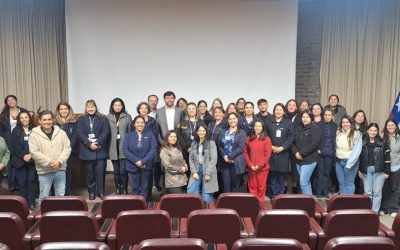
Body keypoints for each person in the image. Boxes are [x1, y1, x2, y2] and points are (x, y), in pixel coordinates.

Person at [29, 110, 71, 203]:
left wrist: (59, 161)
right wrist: (50, 162)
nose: (47, 122)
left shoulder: (61, 133)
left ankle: (59, 215)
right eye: (44, 120)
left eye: (49, 119)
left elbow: (67, 148)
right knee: (44, 196)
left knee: (60, 194)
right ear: (40, 121)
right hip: (44, 170)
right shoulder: (34, 134)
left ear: (53, 120)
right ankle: (43, 216)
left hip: (60, 169)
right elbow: (34, 152)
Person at [77, 99, 110, 200]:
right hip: (87, 150)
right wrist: (89, 143)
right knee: (90, 173)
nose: (90, 109)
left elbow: (106, 132)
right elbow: (80, 133)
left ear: (96, 107)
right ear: (86, 108)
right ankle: (91, 192)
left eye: (92, 107)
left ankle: (101, 192)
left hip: (100, 150)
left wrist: (97, 142)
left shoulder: (103, 118)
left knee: (100, 173)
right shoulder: (81, 119)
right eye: (88, 107)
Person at [358, 123, 390, 213]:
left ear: (377, 132)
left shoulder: (383, 142)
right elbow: (358, 157)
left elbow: (388, 158)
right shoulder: (362, 142)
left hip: (379, 171)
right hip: (365, 170)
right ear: (367, 130)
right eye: (371, 130)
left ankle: (374, 212)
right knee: (367, 192)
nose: (373, 132)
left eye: (375, 130)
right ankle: (367, 211)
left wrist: (387, 172)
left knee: (377, 193)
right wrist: (359, 170)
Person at [124, 116, 157, 201]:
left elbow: (153, 150)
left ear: (144, 124)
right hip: (132, 166)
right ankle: (136, 205)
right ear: (134, 124)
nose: (140, 124)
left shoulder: (150, 135)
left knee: (145, 187)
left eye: (142, 122)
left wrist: (143, 161)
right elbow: (125, 151)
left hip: (146, 166)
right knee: (135, 188)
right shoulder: (128, 136)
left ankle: (145, 205)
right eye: (137, 122)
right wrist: (136, 161)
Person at [265, 103, 294, 198]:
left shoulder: (288, 122)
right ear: (274, 111)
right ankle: (273, 193)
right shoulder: (269, 121)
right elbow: (265, 135)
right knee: (272, 172)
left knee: (282, 173)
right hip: (271, 151)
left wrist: (282, 147)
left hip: (283, 152)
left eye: (280, 110)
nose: (278, 111)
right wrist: (271, 146)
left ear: (283, 111)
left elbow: (291, 137)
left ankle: (280, 194)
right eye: (276, 109)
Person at [0, 95, 27, 191]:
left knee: (20, 160)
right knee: (10, 161)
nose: (11, 101)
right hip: (8, 139)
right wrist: (3, 140)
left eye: (12, 99)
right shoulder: (4, 113)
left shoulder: (24, 111)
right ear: (6, 103)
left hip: (21, 138)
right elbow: (1, 129)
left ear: (16, 100)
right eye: (8, 100)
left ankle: (21, 183)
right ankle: (12, 184)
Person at [291, 110, 321, 195]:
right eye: (303, 117)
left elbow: (314, 144)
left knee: (303, 182)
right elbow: (292, 142)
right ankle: (310, 200)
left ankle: (308, 203)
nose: (305, 119)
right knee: (306, 181)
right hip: (298, 159)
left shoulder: (316, 129)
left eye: (307, 117)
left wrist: (300, 153)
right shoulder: (297, 128)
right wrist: (296, 153)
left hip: (309, 160)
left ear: (311, 118)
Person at [11, 111, 36, 209]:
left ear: (29, 118)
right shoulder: (15, 130)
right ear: (19, 119)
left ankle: (32, 204)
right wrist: (24, 156)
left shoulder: (35, 129)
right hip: (20, 161)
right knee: (22, 183)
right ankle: (24, 205)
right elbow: (14, 146)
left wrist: (31, 155)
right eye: (21, 118)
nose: (24, 119)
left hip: (33, 160)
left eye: (26, 117)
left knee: (32, 181)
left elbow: (38, 144)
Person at [107, 98, 132, 195]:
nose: (117, 107)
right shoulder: (108, 117)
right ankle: (118, 188)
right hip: (112, 147)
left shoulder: (127, 117)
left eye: (119, 105)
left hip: (123, 147)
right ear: (112, 106)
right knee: (116, 171)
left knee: (123, 170)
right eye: (115, 105)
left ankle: (125, 188)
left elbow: (130, 133)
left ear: (122, 106)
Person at [187, 125, 218, 202]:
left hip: (208, 171)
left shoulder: (211, 143)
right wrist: (193, 172)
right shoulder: (194, 143)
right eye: (199, 130)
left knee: (206, 199)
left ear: (206, 132)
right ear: (197, 132)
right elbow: (191, 159)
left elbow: (214, 159)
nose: (201, 132)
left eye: (203, 130)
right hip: (197, 170)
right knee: (190, 192)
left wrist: (208, 173)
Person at [218, 112, 247, 192]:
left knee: (235, 185)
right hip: (224, 163)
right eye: (230, 119)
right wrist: (224, 156)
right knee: (226, 184)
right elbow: (220, 145)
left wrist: (229, 156)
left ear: (237, 120)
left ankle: (234, 204)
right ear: (228, 120)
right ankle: (226, 204)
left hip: (236, 162)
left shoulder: (242, 132)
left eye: (234, 119)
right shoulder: (223, 132)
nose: (232, 120)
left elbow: (240, 148)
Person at [244, 121, 272, 201]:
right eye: (256, 126)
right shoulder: (249, 138)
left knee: (261, 187)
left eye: (260, 126)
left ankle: (260, 205)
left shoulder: (267, 139)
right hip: (251, 168)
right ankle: (253, 204)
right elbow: (245, 152)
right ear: (253, 127)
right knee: (252, 187)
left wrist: (259, 165)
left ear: (262, 128)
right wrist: (250, 165)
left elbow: (268, 155)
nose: (258, 128)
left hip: (262, 169)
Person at [55, 102, 78, 196]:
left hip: (69, 153)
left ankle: (66, 195)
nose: (64, 111)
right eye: (61, 109)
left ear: (69, 110)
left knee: (67, 174)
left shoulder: (74, 122)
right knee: (56, 174)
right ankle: (56, 195)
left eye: (66, 109)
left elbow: (75, 136)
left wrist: (67, 148)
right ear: (58, 111)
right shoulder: (54, 123)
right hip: (56, 153)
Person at [335, 115, 362, 195]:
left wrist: (349, 164)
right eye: (343, 122)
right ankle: (342, 204)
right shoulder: (337, 132)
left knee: (349, 184)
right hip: (339, 162)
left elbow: (357, 151)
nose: (345, 124)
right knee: (341, 183)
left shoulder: (357, 134)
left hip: (350, 162)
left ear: (351, 123)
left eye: (347, 122)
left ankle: (349, 204)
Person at [316, 108, 337, 199]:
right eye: (325, 115)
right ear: (322, 116)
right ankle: (319, 193)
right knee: (320, 173)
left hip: (330, 152)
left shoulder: (335, 126)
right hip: (320, 152)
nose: (327, 116)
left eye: (329, 115)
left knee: (326, 173)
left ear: (332, 116)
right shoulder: (318, 125)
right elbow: (315, 138)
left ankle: (325, 192)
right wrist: (317, 148)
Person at [381, 119, 400, 217]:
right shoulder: (382, 137)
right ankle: (384, 208)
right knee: (385, 189)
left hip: (396, 167)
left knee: (394, 189)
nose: (390, 127)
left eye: (392, 125)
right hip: (384, 169)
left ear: (396, 126)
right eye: (388, 125)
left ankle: (394, 209)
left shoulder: (399, 138)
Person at [177, 102, 203, 171]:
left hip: (198, 150)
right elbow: (179, 136)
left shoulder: (201, 122)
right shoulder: (182, 122)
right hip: (185, 150)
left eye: (193, 109)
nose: (191, 110)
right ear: (187, 110)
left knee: (197, 169)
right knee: (187, 170)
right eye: (189, 109)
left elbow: (204, 135)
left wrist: (196, 147)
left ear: (196, 110)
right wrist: (186, 147)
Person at [285, 99, 300, 193]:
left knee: (295, 168)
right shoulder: (283, 116)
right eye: (289, 105)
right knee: (284, 166)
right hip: (285, 145)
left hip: (296, 146)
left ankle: (295, 186)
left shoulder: (300, 117)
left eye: (293, 105)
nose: (291, 106)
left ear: (296, 107)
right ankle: (285, 185)